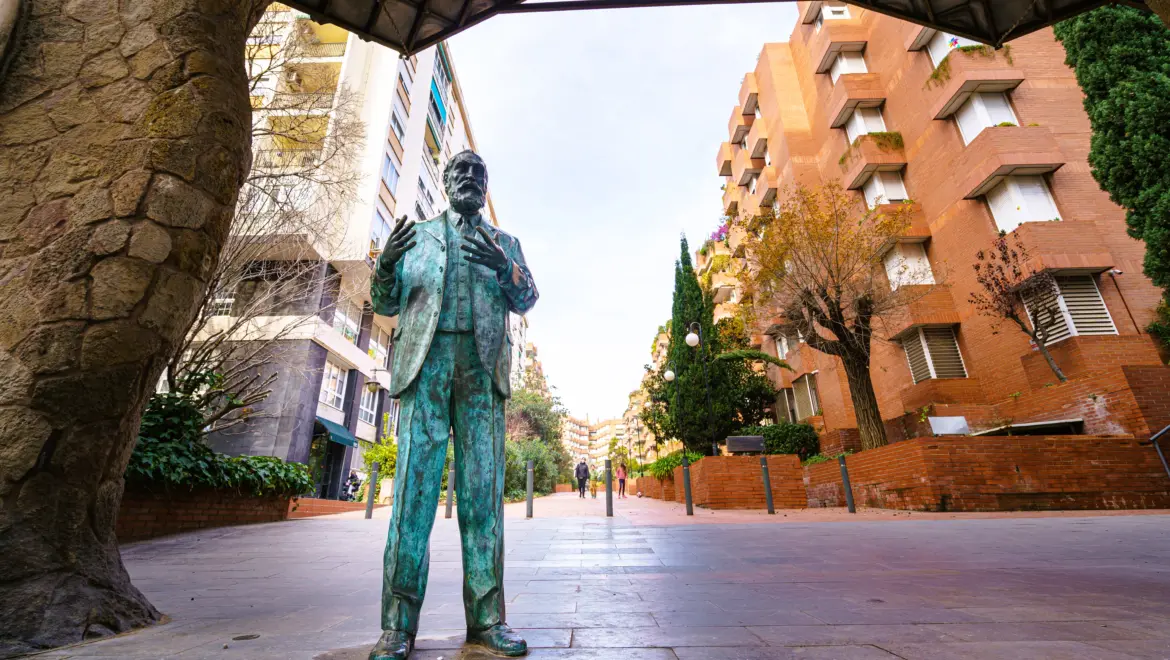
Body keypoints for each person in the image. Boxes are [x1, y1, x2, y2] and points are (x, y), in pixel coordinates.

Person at [368, 150, 537, 660]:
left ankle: (487, 620)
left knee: (482, 496)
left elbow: (528, 297)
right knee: (412, 499)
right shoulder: (415, 237)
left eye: (477, 175)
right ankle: (398, 625)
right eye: (460, 173)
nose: (468, 180)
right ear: (445, 183)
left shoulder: (505, 242)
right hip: (427, 364)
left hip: (482, 371)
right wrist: (386, 264)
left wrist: (505, 268)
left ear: (486, 187)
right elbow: (385, 303)